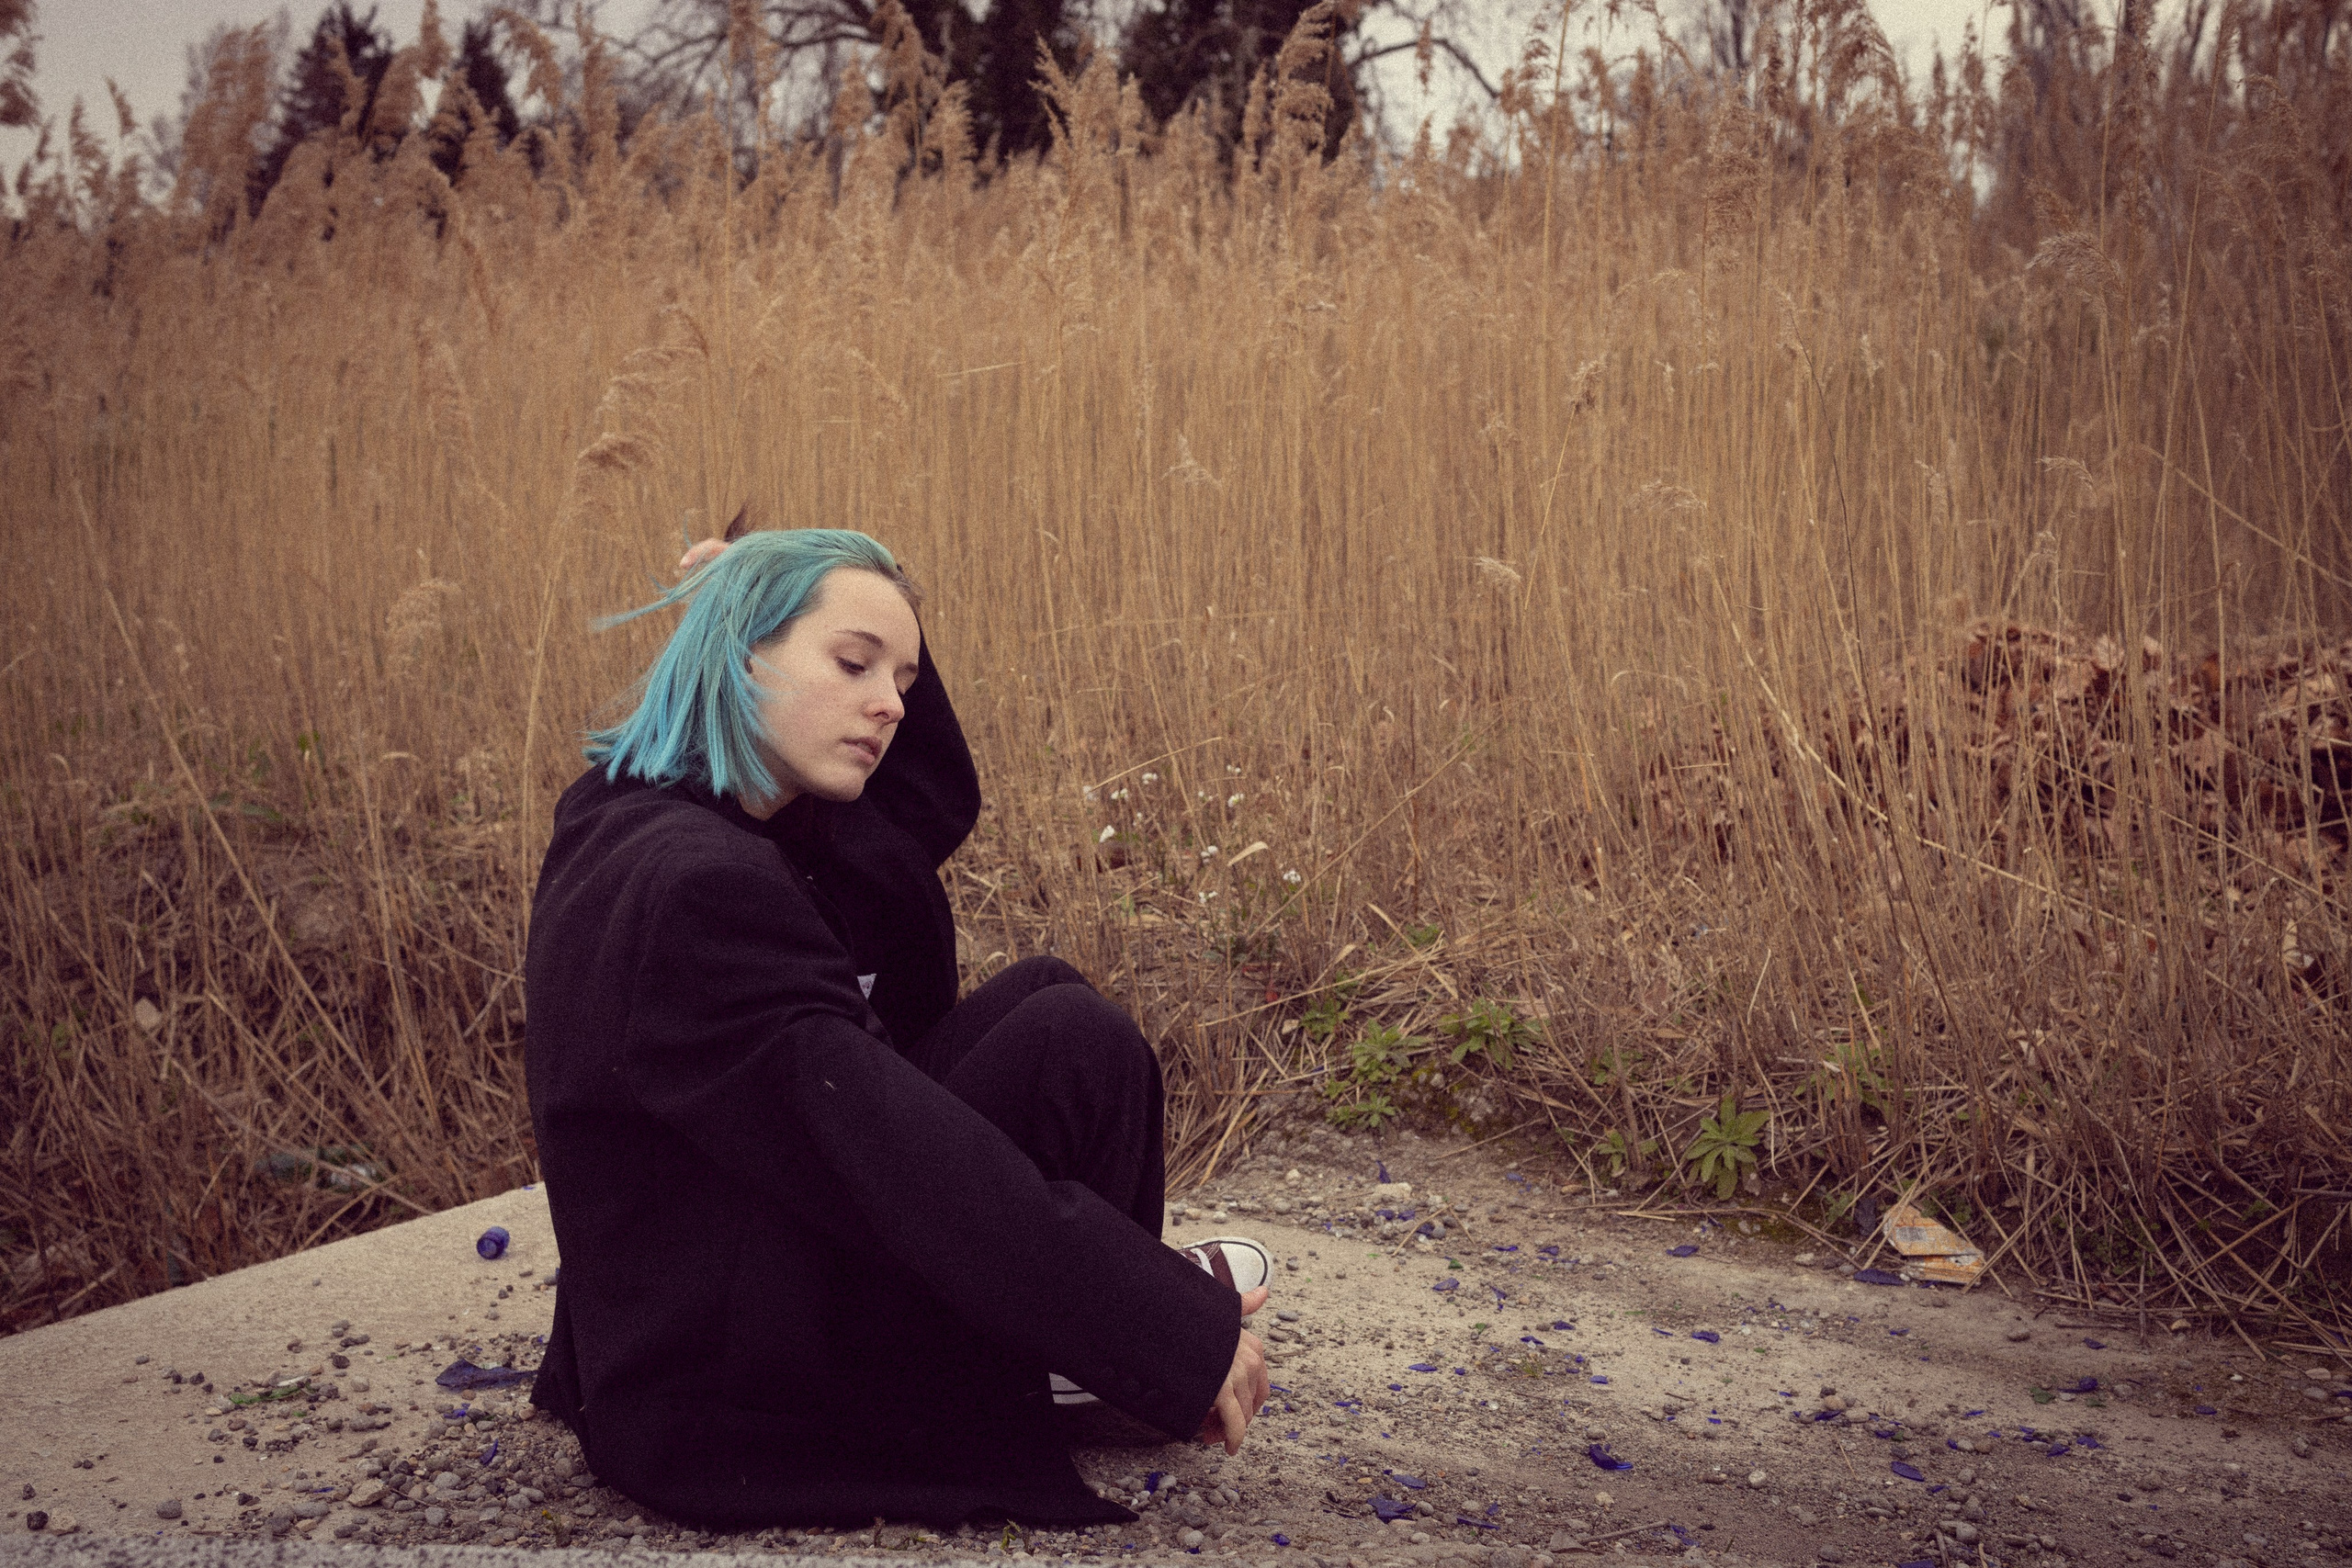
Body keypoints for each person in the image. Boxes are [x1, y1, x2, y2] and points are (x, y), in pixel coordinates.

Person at [524, 525, 1272, 1534]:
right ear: (734, 651)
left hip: (720, 1269)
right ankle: (1081, 1346)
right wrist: (1167, 1328)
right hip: (732, 1383)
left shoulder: (644, 806)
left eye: (904, 680)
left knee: (1056, 1017)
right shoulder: (700, 891)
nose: (888, 706)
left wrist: (833, 602)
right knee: (1058, 1053)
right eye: (851, 664)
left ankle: (1065, 1338)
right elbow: (892, 1154)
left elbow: (925, 792)